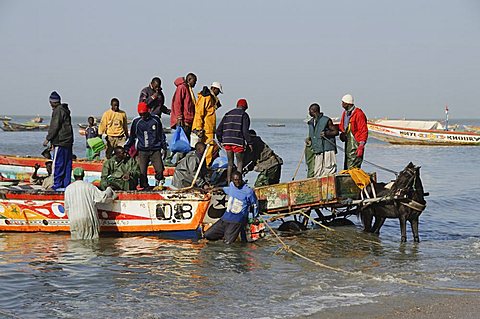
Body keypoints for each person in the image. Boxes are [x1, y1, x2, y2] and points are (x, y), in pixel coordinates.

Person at [204, 171, 258, 244]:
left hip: (236, 220)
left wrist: (255, 217)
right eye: (235, 180)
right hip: (225, 218)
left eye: (239, 179)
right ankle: (226, 235)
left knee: (227, 243)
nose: (237, 182)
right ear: (232, 180)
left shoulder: (248, 191)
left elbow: (254, 204)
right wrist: (214, 189)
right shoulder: (232, 186)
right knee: (208, 235)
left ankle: (230, 236)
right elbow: (225, 189)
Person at [124, 102, 168, 189]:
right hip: (142, 151)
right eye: (140, 114)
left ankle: (159, 184)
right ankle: (144, 186)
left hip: (155, 150)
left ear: (147, 111)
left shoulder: (155, 120)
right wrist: (127, 147)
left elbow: (161, 134)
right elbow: (132, 137)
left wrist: (164, 147)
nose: (142, 116)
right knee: (142, 172)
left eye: (144, 114)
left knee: (159, 170)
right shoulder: (137, 122)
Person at [64, 167, 116, 240]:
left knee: (76, 245)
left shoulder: (68, 189)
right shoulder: (89, 187)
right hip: (88, 219)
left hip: (74, 220)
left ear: (74, 176)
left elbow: (66, 208)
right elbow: (102, 198)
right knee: (91, 243)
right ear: (83, 175)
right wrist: (109, 189)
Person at [216, 98, 253, 183]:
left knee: (230, 163)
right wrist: (250, 142)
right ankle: (238, 182)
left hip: (227, 142)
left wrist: (220, 140)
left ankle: (229, 183)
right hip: (238, 142)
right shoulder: (244, 115)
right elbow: (245, 131)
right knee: (240, 163)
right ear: (245, 107)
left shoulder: (228, 114)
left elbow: (219, 129)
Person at [43, 91, 74, 191]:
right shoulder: (65, 110)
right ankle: (66, 185)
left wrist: (48, 139)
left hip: (60, 142)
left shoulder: (58, 111)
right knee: (67, 164)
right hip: (67, 141)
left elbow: (54, 126)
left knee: (58, 164)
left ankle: (57, 185)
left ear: (52, 102)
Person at [191, 82, 223, 167]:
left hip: (209, 130)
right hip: (205, 130)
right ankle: (205, 166)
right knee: (206, 149)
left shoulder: (211, 98)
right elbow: (199, 113)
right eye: (218, 91)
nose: (218, 94)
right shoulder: (206, 98)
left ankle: (206, 166)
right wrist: (198, 128)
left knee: (209, 149)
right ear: (214, 89)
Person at [306, 103, 339, 177]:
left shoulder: (326, 120)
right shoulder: (311, 122)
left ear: (314, 111)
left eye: (310, 111)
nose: (309, 113)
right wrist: (309, 139)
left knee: (329, 169)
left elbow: (336, 131)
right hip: (318, 149)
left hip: (328, 148)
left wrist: (327, 133)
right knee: (318, 171)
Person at [339, 94, 368, 169]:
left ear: (347, 104)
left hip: (356, 145)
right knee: (347, 166)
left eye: (343, 102)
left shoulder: (359, 114)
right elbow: (342, 127)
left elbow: (363, 130)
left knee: (354, 168)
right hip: (348, 145)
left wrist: (361, 146)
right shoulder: (345, 113)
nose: (342, 104)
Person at [170, 73, 197, 141]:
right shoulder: (182, 88)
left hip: (188, 121)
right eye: (194, 81)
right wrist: (179, 117)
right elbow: (178, 103)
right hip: (184, 121)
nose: (195, 84)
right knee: (183, 143)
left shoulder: (188, 89)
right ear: (189, 79)